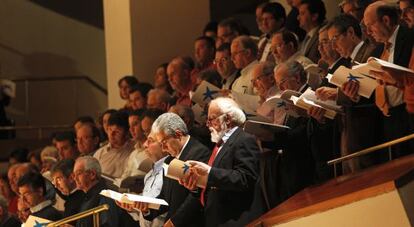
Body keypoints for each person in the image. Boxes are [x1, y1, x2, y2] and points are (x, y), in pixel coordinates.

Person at [180, 97, 262, 226]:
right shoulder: (220, 144)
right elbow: (215, 183)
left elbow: (246, 178)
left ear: (228, 119)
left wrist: (209, 172)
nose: (207, 124)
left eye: (211, 119)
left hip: (235, 219)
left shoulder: (244, 139)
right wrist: (197, 187)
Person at [139, 113, 211, 227]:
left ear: (178, 134)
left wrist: (174, 222)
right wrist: (146, 209)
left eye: (164, 143)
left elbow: (196, 198)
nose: (163, 148)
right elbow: (165, 198)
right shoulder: (169, 160)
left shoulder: (200, 154)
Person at [73, 156, 136, 227]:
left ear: (92, 174)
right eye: (74, 175)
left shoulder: (106, 195)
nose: (75, 178)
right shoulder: (88, 197)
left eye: (78, 173)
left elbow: (108, 224)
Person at [93, 111, 134, 178]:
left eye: (117, 131)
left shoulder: (135, 150)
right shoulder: (100, 153)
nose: (111, 134)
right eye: (109, 129)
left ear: (127, 133)